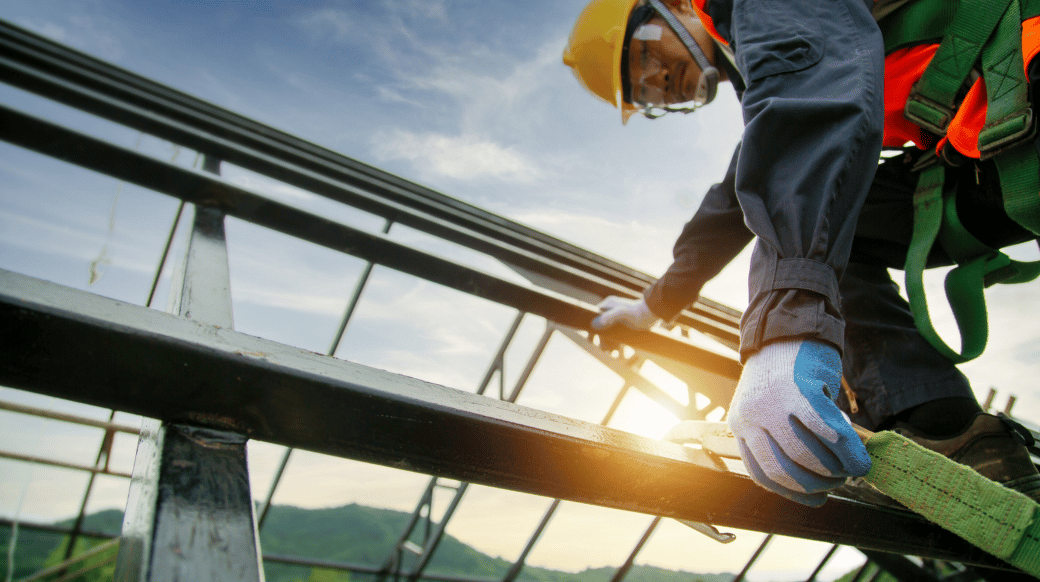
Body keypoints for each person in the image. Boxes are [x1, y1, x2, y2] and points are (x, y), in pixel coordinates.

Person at [563, 0, 1040, 508]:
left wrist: (784, 333)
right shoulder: (763, 66)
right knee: (829, 224)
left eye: (642, 57)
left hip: (1019, 100)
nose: (660, 77)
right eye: (646, 90)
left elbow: (808, 117)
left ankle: (940, 423)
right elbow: (737, 196)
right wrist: (653, 306)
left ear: (673, 5)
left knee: (823, 218)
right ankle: (943, 426)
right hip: (1003, 133)